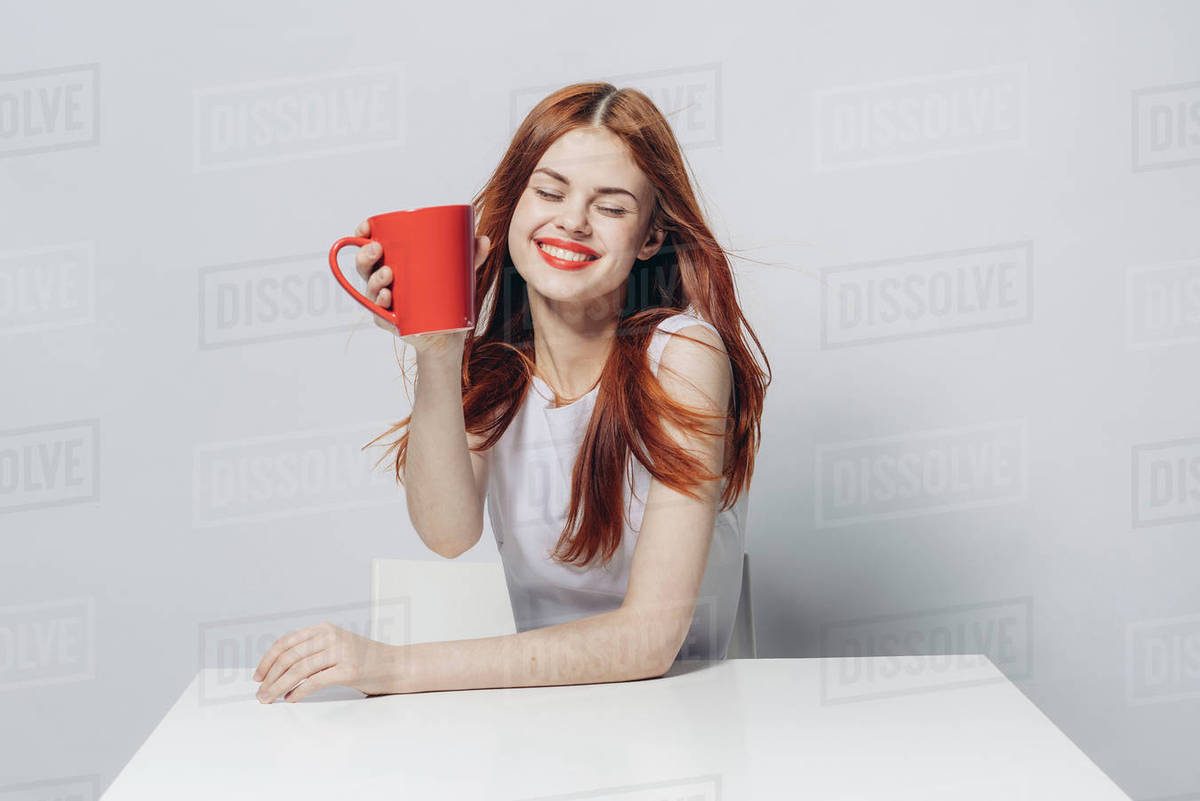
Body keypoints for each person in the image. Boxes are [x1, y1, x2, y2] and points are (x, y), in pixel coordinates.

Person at [253, 82, 770, 703]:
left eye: (610, 207)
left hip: (683, 715)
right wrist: (439, 351)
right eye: (549, 192)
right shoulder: (498, 373)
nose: (571, 220)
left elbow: (648, 641)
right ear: (517, 205)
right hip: (541, 714)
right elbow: (448, 533)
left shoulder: (685, 356)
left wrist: (391, 668)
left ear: (651, 238)